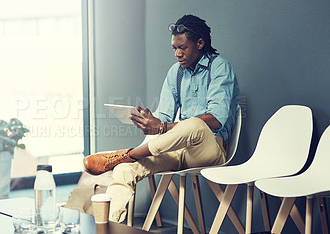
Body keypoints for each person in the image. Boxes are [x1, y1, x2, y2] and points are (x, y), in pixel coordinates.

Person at [83, 14, 239, 223]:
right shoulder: (176, 72)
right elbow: (162, 118)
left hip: (210, 148)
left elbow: (216, 119)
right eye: (174, 48)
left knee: (194, 123)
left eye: (182, 47)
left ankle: (128, 153)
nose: (177, 53)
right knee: (124, 169)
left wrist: (162, 126)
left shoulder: (219, 68)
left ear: (200, 43)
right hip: (176, 148)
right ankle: (108, 226)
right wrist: (150, 121)